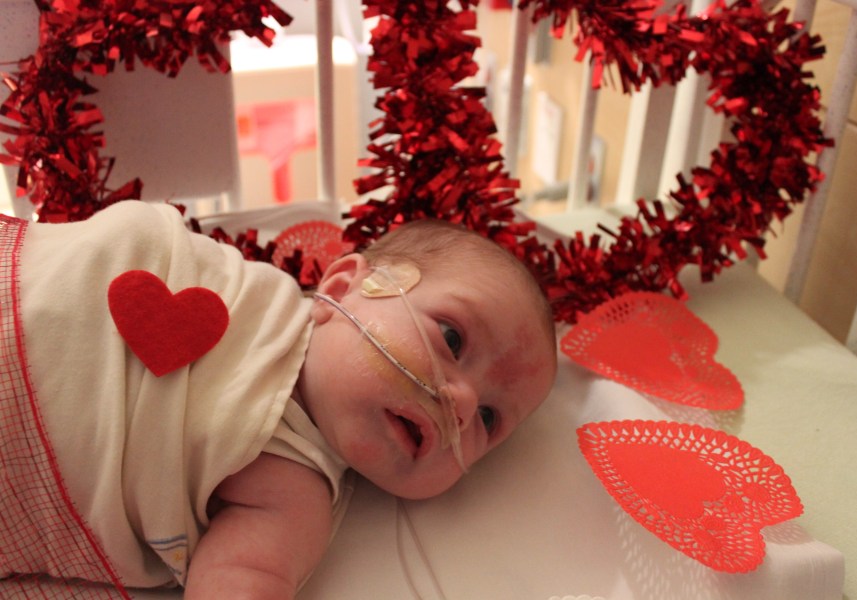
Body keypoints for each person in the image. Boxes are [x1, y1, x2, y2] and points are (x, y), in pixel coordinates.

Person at [0, 200, 557, 598]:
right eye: (453, 339)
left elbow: (242, 579)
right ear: (340, 288)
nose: (460, 403)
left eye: (489, 417)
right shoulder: (240, 287)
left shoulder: (295, 493)